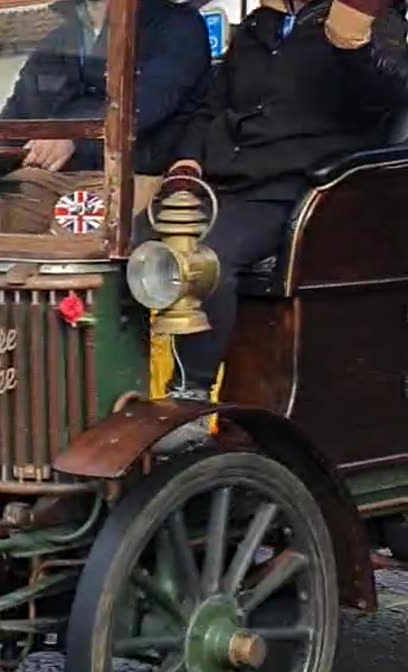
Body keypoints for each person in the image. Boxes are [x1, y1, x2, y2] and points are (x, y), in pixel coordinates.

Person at [153, 0, 408, 450]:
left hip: (298, 191)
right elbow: (211, 108)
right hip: (219, 186)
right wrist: (187, 159)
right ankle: (112, 396)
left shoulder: (371, 21)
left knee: (205, 254)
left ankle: (190, 400)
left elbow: (384, 98)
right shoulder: (259, 26)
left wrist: (350, 43)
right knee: (118, 247)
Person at [0, 0, 211, 233]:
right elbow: (20, 113)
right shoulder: (59, 40)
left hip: (128, 172)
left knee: (72, 256)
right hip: (52, 175)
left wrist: (74, 138)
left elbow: (148, 101)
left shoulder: (176, 26)